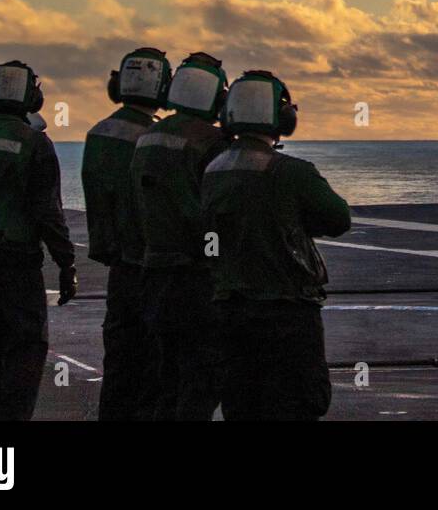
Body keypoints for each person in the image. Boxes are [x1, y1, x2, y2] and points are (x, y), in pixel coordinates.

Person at [202, 70, 351, 420]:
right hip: (286, 313)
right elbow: (339, 219)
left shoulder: (213, 170)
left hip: (230, 310)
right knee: (300, 402)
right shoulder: (292, 172)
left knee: (242, 405)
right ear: (282, 117)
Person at [0, 60, 77, 420]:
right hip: (15, 265)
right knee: (24, 350)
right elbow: (48, 213)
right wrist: (66, 264)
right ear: (32, 96)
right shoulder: (34, 142)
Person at [129, 52, 230, 421]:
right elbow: (217, 213)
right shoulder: (211, 141)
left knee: (165, 375)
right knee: (202, 377)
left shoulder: (150, 135)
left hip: (154, 270)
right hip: (197, 276)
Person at [81, 47, 172, 420]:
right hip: (156, 267)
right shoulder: (158, 139)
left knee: (119, 364)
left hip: (120, 265)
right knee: (156, 369)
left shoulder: (99, 132)